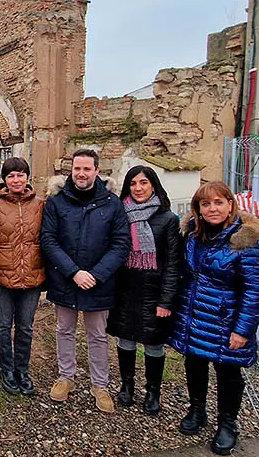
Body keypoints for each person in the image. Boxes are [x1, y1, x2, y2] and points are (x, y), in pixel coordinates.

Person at [169, 181, 259, 456]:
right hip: (194, 315)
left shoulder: (243, 242)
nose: (212, 209)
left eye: (218, 202)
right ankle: (197, 410)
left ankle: (228, 424)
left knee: (228, 372)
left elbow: (254, 290)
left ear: (231, 205)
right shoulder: (194, 235)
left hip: (226, 319)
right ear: (197, 209)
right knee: (195, 363)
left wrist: (243, 331)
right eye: (205, 204)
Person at [40, 148, 131, 413]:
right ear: (71, 171)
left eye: (86, 169)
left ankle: (100, 385)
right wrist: (73, 272)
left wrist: (96, 274)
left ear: (96, 171)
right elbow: (48, 239)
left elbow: (121, 243)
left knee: (97, 334)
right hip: (66, 279)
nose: (81, 174)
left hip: (98, 282)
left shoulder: (112, 203)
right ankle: (66, 377)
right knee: (64, 330)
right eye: (77, 169)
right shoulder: (57, 202)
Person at [107, 165, 182, 415]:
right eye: (133, 183)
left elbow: (173, 263)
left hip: (154, 290)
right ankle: (127, 386)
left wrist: (167, 301)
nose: (138, 188)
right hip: (126, 289)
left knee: (153, 343)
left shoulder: (168, 219)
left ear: (153, 186)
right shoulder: (119, 215)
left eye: (144, 183)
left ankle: (153, 391)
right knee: (125, 339)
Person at [0, 157, 45, 396]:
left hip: (32, 275)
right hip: (1, 275)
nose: (16, 180)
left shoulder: (40, 204)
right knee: (2, 325)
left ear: (27, 177)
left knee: (25, 327)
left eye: (20, 174)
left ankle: (22, 369)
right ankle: (6, 369)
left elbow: (46, 238)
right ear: (4, 180)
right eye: (11, 176)